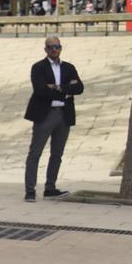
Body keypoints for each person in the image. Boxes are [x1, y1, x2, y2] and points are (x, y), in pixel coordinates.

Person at [23, 36, 83, 201]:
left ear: (61, 48)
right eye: (51, 47)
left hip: (64, 114)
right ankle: (30, 190)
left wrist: (57, 87)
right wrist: (66, 90)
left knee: (57, 153)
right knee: (35, 152)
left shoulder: (69, 67)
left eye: (57, 47)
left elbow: (79, 88)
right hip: (45, 114)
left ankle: (50, 187)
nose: (54, 50)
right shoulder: (38, 67)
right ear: (46, 50)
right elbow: (40, 90)